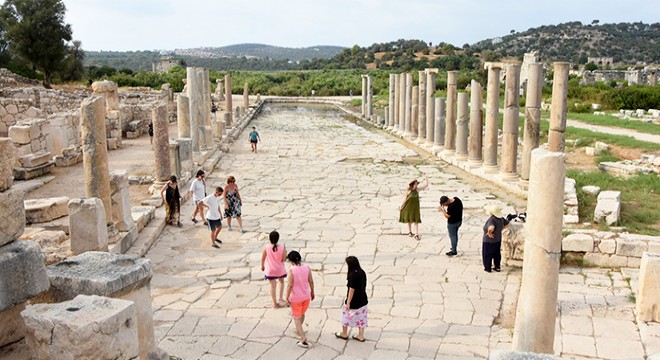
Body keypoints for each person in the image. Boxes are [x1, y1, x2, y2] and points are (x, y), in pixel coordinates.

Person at [334, 256, 368, 342]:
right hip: (363, 300)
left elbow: (351, 290)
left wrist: (348, 303)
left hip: (354, 301)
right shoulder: (362, 272)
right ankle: (361, 335)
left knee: (345, 316)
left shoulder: (352, 275)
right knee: (361, 317)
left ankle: (344, 333)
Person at [285, 250, 315, 348]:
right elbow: (311, 281)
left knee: (296, 317)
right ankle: (299, 330)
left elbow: (289, 285)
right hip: (306, 296)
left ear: (291, 261)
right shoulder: (307, 267)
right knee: (302, 313)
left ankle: (302, 338)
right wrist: (312, 292)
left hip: (296, 298)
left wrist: (286, 297)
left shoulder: (291, 270)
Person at [261, 231, 287, 308]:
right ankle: (281, 297)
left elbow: (263, 258)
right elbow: (284, 259)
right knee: (281, 282)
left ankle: (274, 303)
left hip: (270, 270)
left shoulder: (266, 247)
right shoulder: (282, 247)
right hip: (279, 269)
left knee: (272, 286)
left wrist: (262, 266)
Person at [399, 174, 429, 240]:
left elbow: (426, 186)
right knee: (409, 220)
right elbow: (405, 198)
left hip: (415, 208)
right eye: (415, 184)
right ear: (412, 184)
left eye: (416, 184)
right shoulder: (409, 191)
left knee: (416, 220)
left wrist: (426, 178)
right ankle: (409, 231)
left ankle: (416, 234)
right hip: (408, 206)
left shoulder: (417, 190)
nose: (416, 185)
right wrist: (402, 206)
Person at [482, 205, 509, 273]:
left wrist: (489, 232)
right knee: (497, 254)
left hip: (489, 241)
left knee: (487, 254)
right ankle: (497, 267)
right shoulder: (501, 219)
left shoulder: (492, 219)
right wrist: (501, 229)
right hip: (498, 239)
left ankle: (488, 268)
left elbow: (491, 227)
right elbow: (508, 223)